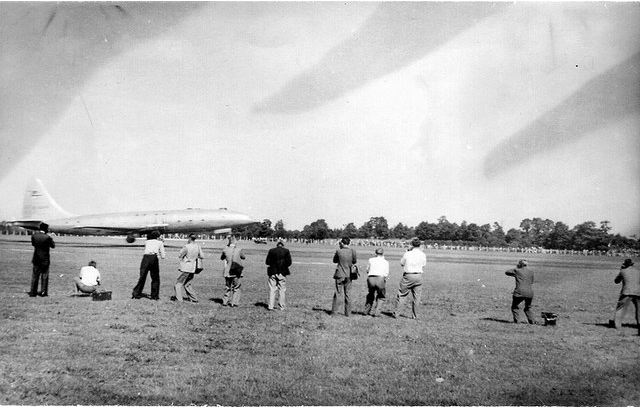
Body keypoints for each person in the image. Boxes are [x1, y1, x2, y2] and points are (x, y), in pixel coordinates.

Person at [393, 237, 427, 319]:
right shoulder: (422, 254)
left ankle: (396, 313)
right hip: (418, 275)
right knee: (417, 297)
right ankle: (415, 315)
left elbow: (402, 263)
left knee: (402, 294)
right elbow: (423, 265)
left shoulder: (407, 254)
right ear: (419, 245)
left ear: (411, 244)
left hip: (408, 275)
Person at [131, 230, 166, 300]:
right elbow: (163, 256)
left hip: (146, 258)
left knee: (142, 277)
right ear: (158, 236)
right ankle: (154, 296)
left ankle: (136, 293)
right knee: (155, 278)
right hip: (154, 258)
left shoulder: (147, 242)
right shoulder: (160, 243)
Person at [172, 233, 204, 303]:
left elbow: (180, 255)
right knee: (187, 284)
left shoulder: (186, 246)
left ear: (189, 238)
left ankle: (179, 299)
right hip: (193, 268)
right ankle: (194, 298)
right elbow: (202, 256)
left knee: (178, 284)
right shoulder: (198, 246)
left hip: (186, 268)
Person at [612, 258, 640, 334]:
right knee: (639, 310)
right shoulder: (638, 271)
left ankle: (617, 325)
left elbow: (616, 281)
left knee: (620, 308)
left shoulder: (623, 271)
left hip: (627, 292)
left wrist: (621, 270)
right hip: (638, 292)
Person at [331, 237, 357, 316]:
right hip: (349, 275)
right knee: (348, 294)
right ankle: (348, 313)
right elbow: (354, 261)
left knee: (338, 293)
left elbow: (334, 260)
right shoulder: (353, 251)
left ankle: (334, 312)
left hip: (340, 274)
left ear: (342, 243)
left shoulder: (338, 251)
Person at [505, 259, 535, 324]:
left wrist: (517, 268)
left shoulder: (517, 270)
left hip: (519, 292)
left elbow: (507, 272)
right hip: (530, 292)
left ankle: (517, 322)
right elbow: (532, 281)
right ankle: (532, 321)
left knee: (515, 307)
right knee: (528, 308)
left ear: (520, 264)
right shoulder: (531, 271)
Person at [29, 222, 55, 297]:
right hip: (45, 259)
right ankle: (43, 291)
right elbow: (53, 246)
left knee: (35, 276)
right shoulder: (47, 237)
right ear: (46, 229)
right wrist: (50, 238)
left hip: (36, 258)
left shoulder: (34, 236)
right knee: (44, 276)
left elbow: (33, 244)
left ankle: (33, 292)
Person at [265, 240, 292, 310]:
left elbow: (267, 262)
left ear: (277, 245)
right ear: (283, 245)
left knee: (272, 289)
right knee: (282, 290)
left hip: (272, 272)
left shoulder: (271, 251)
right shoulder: (286, 251)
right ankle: (282, 306)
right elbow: (289, 262)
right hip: (282, 272)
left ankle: (270, 306)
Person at [221, 234, 245, 307]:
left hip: (227, 271)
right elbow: (243, 257)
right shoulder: (238, 249)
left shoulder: (225, 249)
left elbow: (222, 257)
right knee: (236, 287)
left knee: (228, 287)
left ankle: (225, 301)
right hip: (236, 271)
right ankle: (234, 303)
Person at [364, 247, 389, 317]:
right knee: (381, 296)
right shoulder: (385, 262)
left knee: (370, 294)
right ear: (382, 253)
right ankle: (377, 312)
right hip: (380, 278)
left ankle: (366, 310)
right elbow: (386, 273)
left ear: (375, 253)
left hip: (371, 278)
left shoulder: (371, 260)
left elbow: (367, 270)